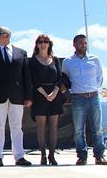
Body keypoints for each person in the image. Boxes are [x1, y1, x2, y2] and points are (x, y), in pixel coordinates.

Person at [0, 26, 32, 167]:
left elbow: (26, 76)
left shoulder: (21, 53)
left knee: (17, 126)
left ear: (7, 35)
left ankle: (19, 156)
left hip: (17, 96)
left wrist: (28, 96)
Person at [62, 34, 107, 166]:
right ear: (74, 44)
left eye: (85, 43)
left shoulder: (95, 60)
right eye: (81, 43)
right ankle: (82, 156)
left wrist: (93, 89)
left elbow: (99, 78)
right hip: (78, 98)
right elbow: (64, 80)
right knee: (78, 129)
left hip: (93, 97)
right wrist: (70, 93)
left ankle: (99, 155)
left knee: (97, 128)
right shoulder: (68, 61)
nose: (84, 45)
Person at [30, 34, 64, 165]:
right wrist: (45, 95)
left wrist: (55, 92)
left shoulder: (55, 60)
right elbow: (34, 80)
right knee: (41, 127)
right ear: (37, 44)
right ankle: (43, 154)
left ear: (49, 44)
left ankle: (52, 155)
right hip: (40, 95)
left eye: (45, 41)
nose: (42, 44)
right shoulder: (33, 61)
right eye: (40, 42)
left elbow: (59, 78)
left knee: (54, 127)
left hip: (54, 95)